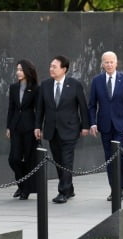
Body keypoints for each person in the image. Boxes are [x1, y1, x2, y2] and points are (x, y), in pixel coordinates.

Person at [35, 55, 89, 204]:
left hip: (70, 129)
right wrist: (37, 126)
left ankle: (63, 192)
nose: (51, 69)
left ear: (64, 69)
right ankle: (69, 188)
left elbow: (83, 106)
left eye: (54, 66)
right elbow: (40, 108)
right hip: (52, 130)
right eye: (50, 66)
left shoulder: (75, 84)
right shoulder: (45, 85)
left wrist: (85, 126)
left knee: (67, 160)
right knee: (58, 161)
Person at [88, 51, 123, 201]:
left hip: (121, 125)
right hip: (105, 125)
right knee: (109, 157)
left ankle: (121, 187)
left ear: (116, 63)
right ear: (102, 64)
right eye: (106, 62)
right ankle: (113, 189)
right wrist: (93, 123)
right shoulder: (97, 81)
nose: (109, 64)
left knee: (119, 156)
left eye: (111, 62)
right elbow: (92, 105)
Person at [6, 59, 39, 200]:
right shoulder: (13, 87)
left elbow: (38, 110)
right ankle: (22, 184)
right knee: (14, 159)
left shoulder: (36, 88)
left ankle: (25, 189)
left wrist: (38, 127)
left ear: (27, 71)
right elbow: (11, 109)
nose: (18, 72)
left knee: (30, 159)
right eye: (17, 69)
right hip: (15, 128)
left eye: (21, 69)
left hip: (30, 128)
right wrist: (8, 127)